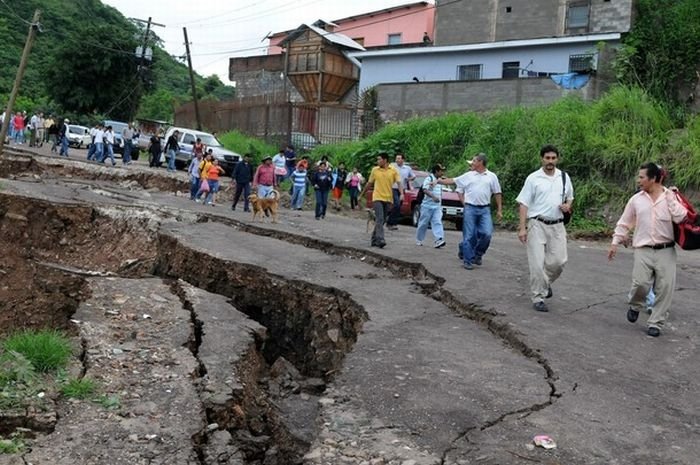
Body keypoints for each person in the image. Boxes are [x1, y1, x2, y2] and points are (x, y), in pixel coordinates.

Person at [607, 163, 688, 337]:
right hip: (643, 249)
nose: (639, 180)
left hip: (666, 249)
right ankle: (636, 305)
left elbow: (681, 217)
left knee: (665, 287)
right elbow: (624, 221)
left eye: (642, 177)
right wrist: (615, 242)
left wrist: (671, 199)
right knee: (640, 284)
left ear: (653, 179)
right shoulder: (636, 199)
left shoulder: (670, 196)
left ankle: (656, 323)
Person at [516, 144, 574, 312]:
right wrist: (522, 228)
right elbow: (523, 203)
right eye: (547, 158)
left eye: (553, 158)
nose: (550, 161)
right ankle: (538, 297)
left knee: (559, 261)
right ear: (542, 159)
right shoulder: (533, 178)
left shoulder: (564, 177)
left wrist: (567, 206)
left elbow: (570, 198)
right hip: (536, 224)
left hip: (557, 225)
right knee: (536, 263)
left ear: (557, 159)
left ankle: (545, 283)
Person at [442, 154, 503, 269]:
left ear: (480, 162)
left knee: (486, 234)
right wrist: (439, 181)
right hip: (470, 208)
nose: (472, 163)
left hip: (485, 209)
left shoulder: (491, 176)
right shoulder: (468, 175)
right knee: (470, 235)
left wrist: (499, 209)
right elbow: (453, 181)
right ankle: (468, 260)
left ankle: (478, 254)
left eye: (474, 161)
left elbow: (497, 192)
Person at [366, 153, 403, 248]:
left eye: (379, 159)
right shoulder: (375, 170)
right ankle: (380, 239)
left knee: (382, 221)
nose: (378, 161)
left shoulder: (393, 171)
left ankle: (374, 239)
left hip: (388, 198)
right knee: (380, 218)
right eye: (377, 160)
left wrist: (402, 194)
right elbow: (369, 183)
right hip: (377, 197)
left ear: (385, 160)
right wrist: (361, 194)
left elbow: (399, 183)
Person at [415, 164, 447, 248]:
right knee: (423, 223)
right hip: (427, 206)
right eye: (441, 171)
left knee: (437, 222)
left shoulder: (440, 181)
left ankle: (439, 239)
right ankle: (419, 239)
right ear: (436, 171)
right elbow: (424, 190)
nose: (442, 172)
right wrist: (433, 197)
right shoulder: (429, 178)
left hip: (437, 207)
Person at [387, 153, 415, 230]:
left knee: (399, 206)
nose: (397, 160)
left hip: (403, 189)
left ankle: (393, 222)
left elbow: (413, 176)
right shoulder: (392, 166)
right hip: (394, 188)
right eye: (396, 158)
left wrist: (409, 179)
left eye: (399, 158)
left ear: (403, 159)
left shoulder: (407, 168)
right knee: (397, 204)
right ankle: (390, 222)